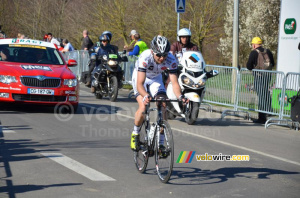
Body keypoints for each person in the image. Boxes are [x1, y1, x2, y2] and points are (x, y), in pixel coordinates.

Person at [130, 35, 188, 151]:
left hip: (156, 79)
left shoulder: (171, 59)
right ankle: (135, 133)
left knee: (163, 105)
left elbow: (175, 83)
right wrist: (146, 95)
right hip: (140, 78)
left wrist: (181, 96)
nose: (162, 58)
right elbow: (140, 84)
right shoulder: (145, 57)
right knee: (143, 106)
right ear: (153, 52)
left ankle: (160, 144)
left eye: (164, 55)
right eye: (159, 55)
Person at [247, 36, 274, 124]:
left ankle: (262, 118)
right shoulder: (268, 51)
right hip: (268, 76)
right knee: (266, 94)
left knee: (261, 96)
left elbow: (249, 66)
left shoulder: (254, 52)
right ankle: (269, 112)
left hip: (259, 76)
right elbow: (273, 63)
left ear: (254, 45)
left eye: (252, 44)